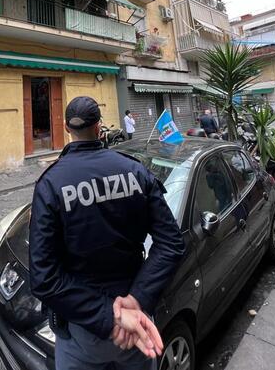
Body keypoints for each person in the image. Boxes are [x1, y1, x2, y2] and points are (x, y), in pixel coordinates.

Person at [29, 96, 185, 370]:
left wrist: (107, 318)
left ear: (67, 128)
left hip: (81, 327)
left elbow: (43, 278)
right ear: (99, 127)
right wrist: (136, 299)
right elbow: (171, 243)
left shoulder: (51, 184)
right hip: (136, 321)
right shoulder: (136, 171)